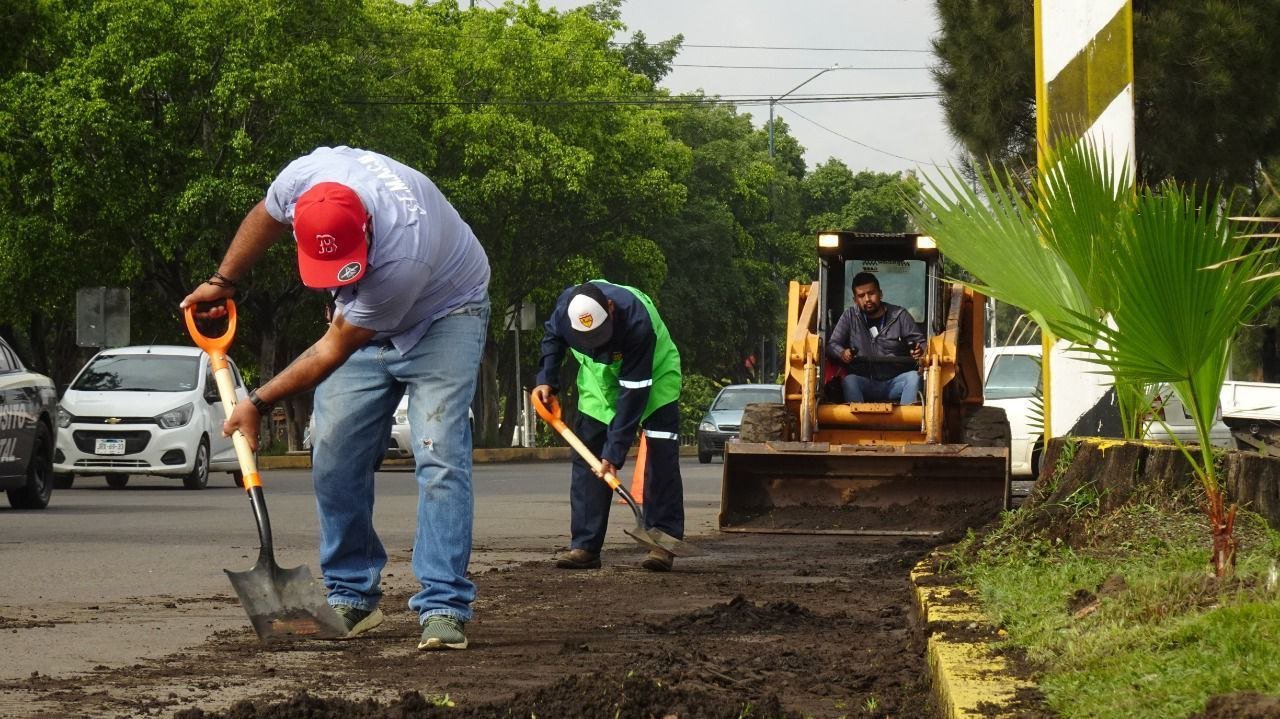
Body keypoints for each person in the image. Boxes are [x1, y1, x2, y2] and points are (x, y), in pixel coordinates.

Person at [180, 146, 490, 651]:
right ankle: (352, 595)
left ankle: (442, 606)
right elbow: (264, 216)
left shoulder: (402, 254)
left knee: (439, 453)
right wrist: (223, 280)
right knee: (332, 447)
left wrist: (256, 402)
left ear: (366, 228)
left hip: (445, 313)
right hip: (363, 319)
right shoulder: (301, 178)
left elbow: (332, 348)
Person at [532, 280, 685, 572]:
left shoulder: (638, 324)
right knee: (588, 458)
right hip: (599, 386)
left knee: (660, 455)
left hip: (653, 380)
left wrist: (613, 456)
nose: (596, 344)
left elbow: (633, 395)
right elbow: (552, 339)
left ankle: (662, 542)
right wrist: (546, 380)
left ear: (611, 309)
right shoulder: (565, 310)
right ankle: (586, 547)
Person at [826, 271, 926, 405]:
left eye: (871, 293)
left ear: (880, 294)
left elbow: (923, 344)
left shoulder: (899, 316)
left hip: (895, 382)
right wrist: (842, 353)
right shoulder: (849, 317)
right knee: (850, 381)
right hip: (865, 382)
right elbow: (832, 345)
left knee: (914, 377)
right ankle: (857, 417)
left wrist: (919, 351)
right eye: (861, 296)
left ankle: (908, 416)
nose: (867, 299)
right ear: (855, 300)